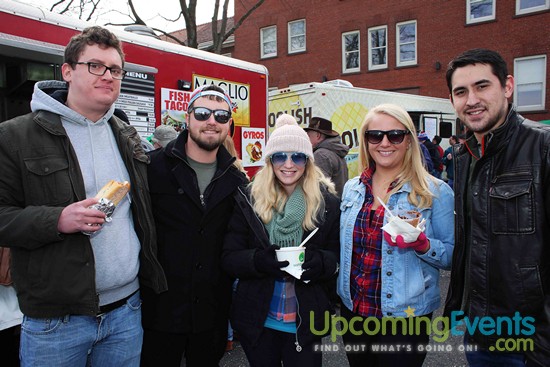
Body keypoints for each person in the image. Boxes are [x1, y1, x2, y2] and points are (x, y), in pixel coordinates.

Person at [0, 26, 167, 366]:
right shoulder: (15, 136)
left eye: (115, 69)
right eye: (95, 66)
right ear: (67, 71)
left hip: (126, 312)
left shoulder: (126, 134)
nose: (108, 76)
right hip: (56, 321)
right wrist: (58, 219)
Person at [443, 48, 550, 366]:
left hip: (530, 345)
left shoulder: (542, 147)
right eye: (460, 91)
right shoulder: (465, 156)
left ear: (507, 86)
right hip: (480, 335)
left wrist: (542, 349)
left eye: (482, 86)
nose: (471, 99)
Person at [337, 104, 454, 367]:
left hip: (406, 318)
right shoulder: (352, 189)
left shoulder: (436, 192)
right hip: (354, 312)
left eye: (395, 135)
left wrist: (423, 245)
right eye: (375, 135)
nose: (385, 142)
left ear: (409, 141)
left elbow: (452, 256)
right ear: (366, 141)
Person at [140, 85, 249, 367]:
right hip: (159, 311)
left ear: (229, 125)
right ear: (187, 118)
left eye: (221, 116)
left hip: (211, 314)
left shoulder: (237, 181)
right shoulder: (151, 167)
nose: (211, 121)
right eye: (202, 113)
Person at [222, 114, 340, 367]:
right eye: (280, 156)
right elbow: (229, 257)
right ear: (270, 161)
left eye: (297, 156)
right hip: (258, 320)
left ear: (308, 162)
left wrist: (319, 262)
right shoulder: (249, 199)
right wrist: (259, 261)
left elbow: (336, 257)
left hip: (305, 322)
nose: (288, 164)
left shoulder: (327, 204)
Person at [304, 117, 349, 197]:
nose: (307, 138)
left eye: (309, 135)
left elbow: (319, 190)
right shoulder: (336, 152)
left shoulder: (321, 155)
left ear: (318, 136)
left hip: (327, 207)